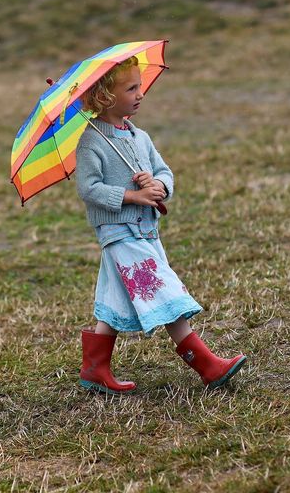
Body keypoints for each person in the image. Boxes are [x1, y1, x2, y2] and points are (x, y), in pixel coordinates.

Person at [75, 56, 246, 394]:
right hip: (119, 232)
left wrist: (158, 186)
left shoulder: (141, 137)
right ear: (106, 96)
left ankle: (94, 369)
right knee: (161, 290)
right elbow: (89, 189)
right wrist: (131, 196)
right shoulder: (92, 141)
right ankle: (207, 365)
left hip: (147, 232)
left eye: (140, 86)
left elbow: (165, 172)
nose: (140, 94)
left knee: (115, 300)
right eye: (131, 88)